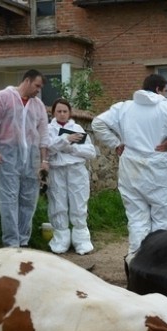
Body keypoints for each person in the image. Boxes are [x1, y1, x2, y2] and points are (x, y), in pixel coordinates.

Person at [92, 74, 167, 254]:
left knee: (136, 218)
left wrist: (115, 143)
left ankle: (135, 261)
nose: (166, 95)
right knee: (162, 219)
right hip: (158, 167)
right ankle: (157, 261)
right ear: (157, 89)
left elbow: (97, 123)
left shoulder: (124, 107)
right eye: (165, 91)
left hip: (130, 166)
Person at [0, 69, 50, 248]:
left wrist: (44, 161)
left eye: (40, 87)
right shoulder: (2, 98)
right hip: (7, 157)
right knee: (8, 199)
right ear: (26, 81)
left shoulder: (38, 105)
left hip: (31, 158)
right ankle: (11, 243)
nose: (38, 90)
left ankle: (23, 241)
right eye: (37, 85)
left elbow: (44, 134)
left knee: (29, 200)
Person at [45, 98, 96, 255]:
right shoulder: (47, 129)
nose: (62, 114)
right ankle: (61, 239)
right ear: (53, 113)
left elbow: (91, 152)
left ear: (69, 113)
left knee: (79, 203)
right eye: (59, 111)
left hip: (76, 170)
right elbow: (47, 149)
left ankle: (81, 239)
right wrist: (65, 140)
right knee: (58, 203)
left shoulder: (77, 128)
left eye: (65, 111)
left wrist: (71, 150)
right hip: (56, 170)